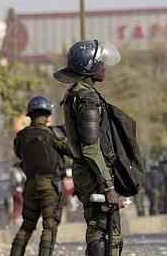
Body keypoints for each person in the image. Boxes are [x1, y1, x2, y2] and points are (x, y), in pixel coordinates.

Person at [54, 39, 128, 256]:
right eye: (100, 63)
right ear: (88, 67)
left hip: (86, 171)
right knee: (104, 231)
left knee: (98, 227)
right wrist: (108, 186)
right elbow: (90, 148)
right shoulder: (87, 99)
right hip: (94, 173)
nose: (104, 67)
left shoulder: (75, 94)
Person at [9, 96, 73, 256]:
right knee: (49, 227)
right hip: (49, 187)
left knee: (27, 226)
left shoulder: (21, 136)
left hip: (30, 186)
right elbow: (71, 150)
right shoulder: (53, 134)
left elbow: (19, 154)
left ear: (30, 115)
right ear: (47, 115)